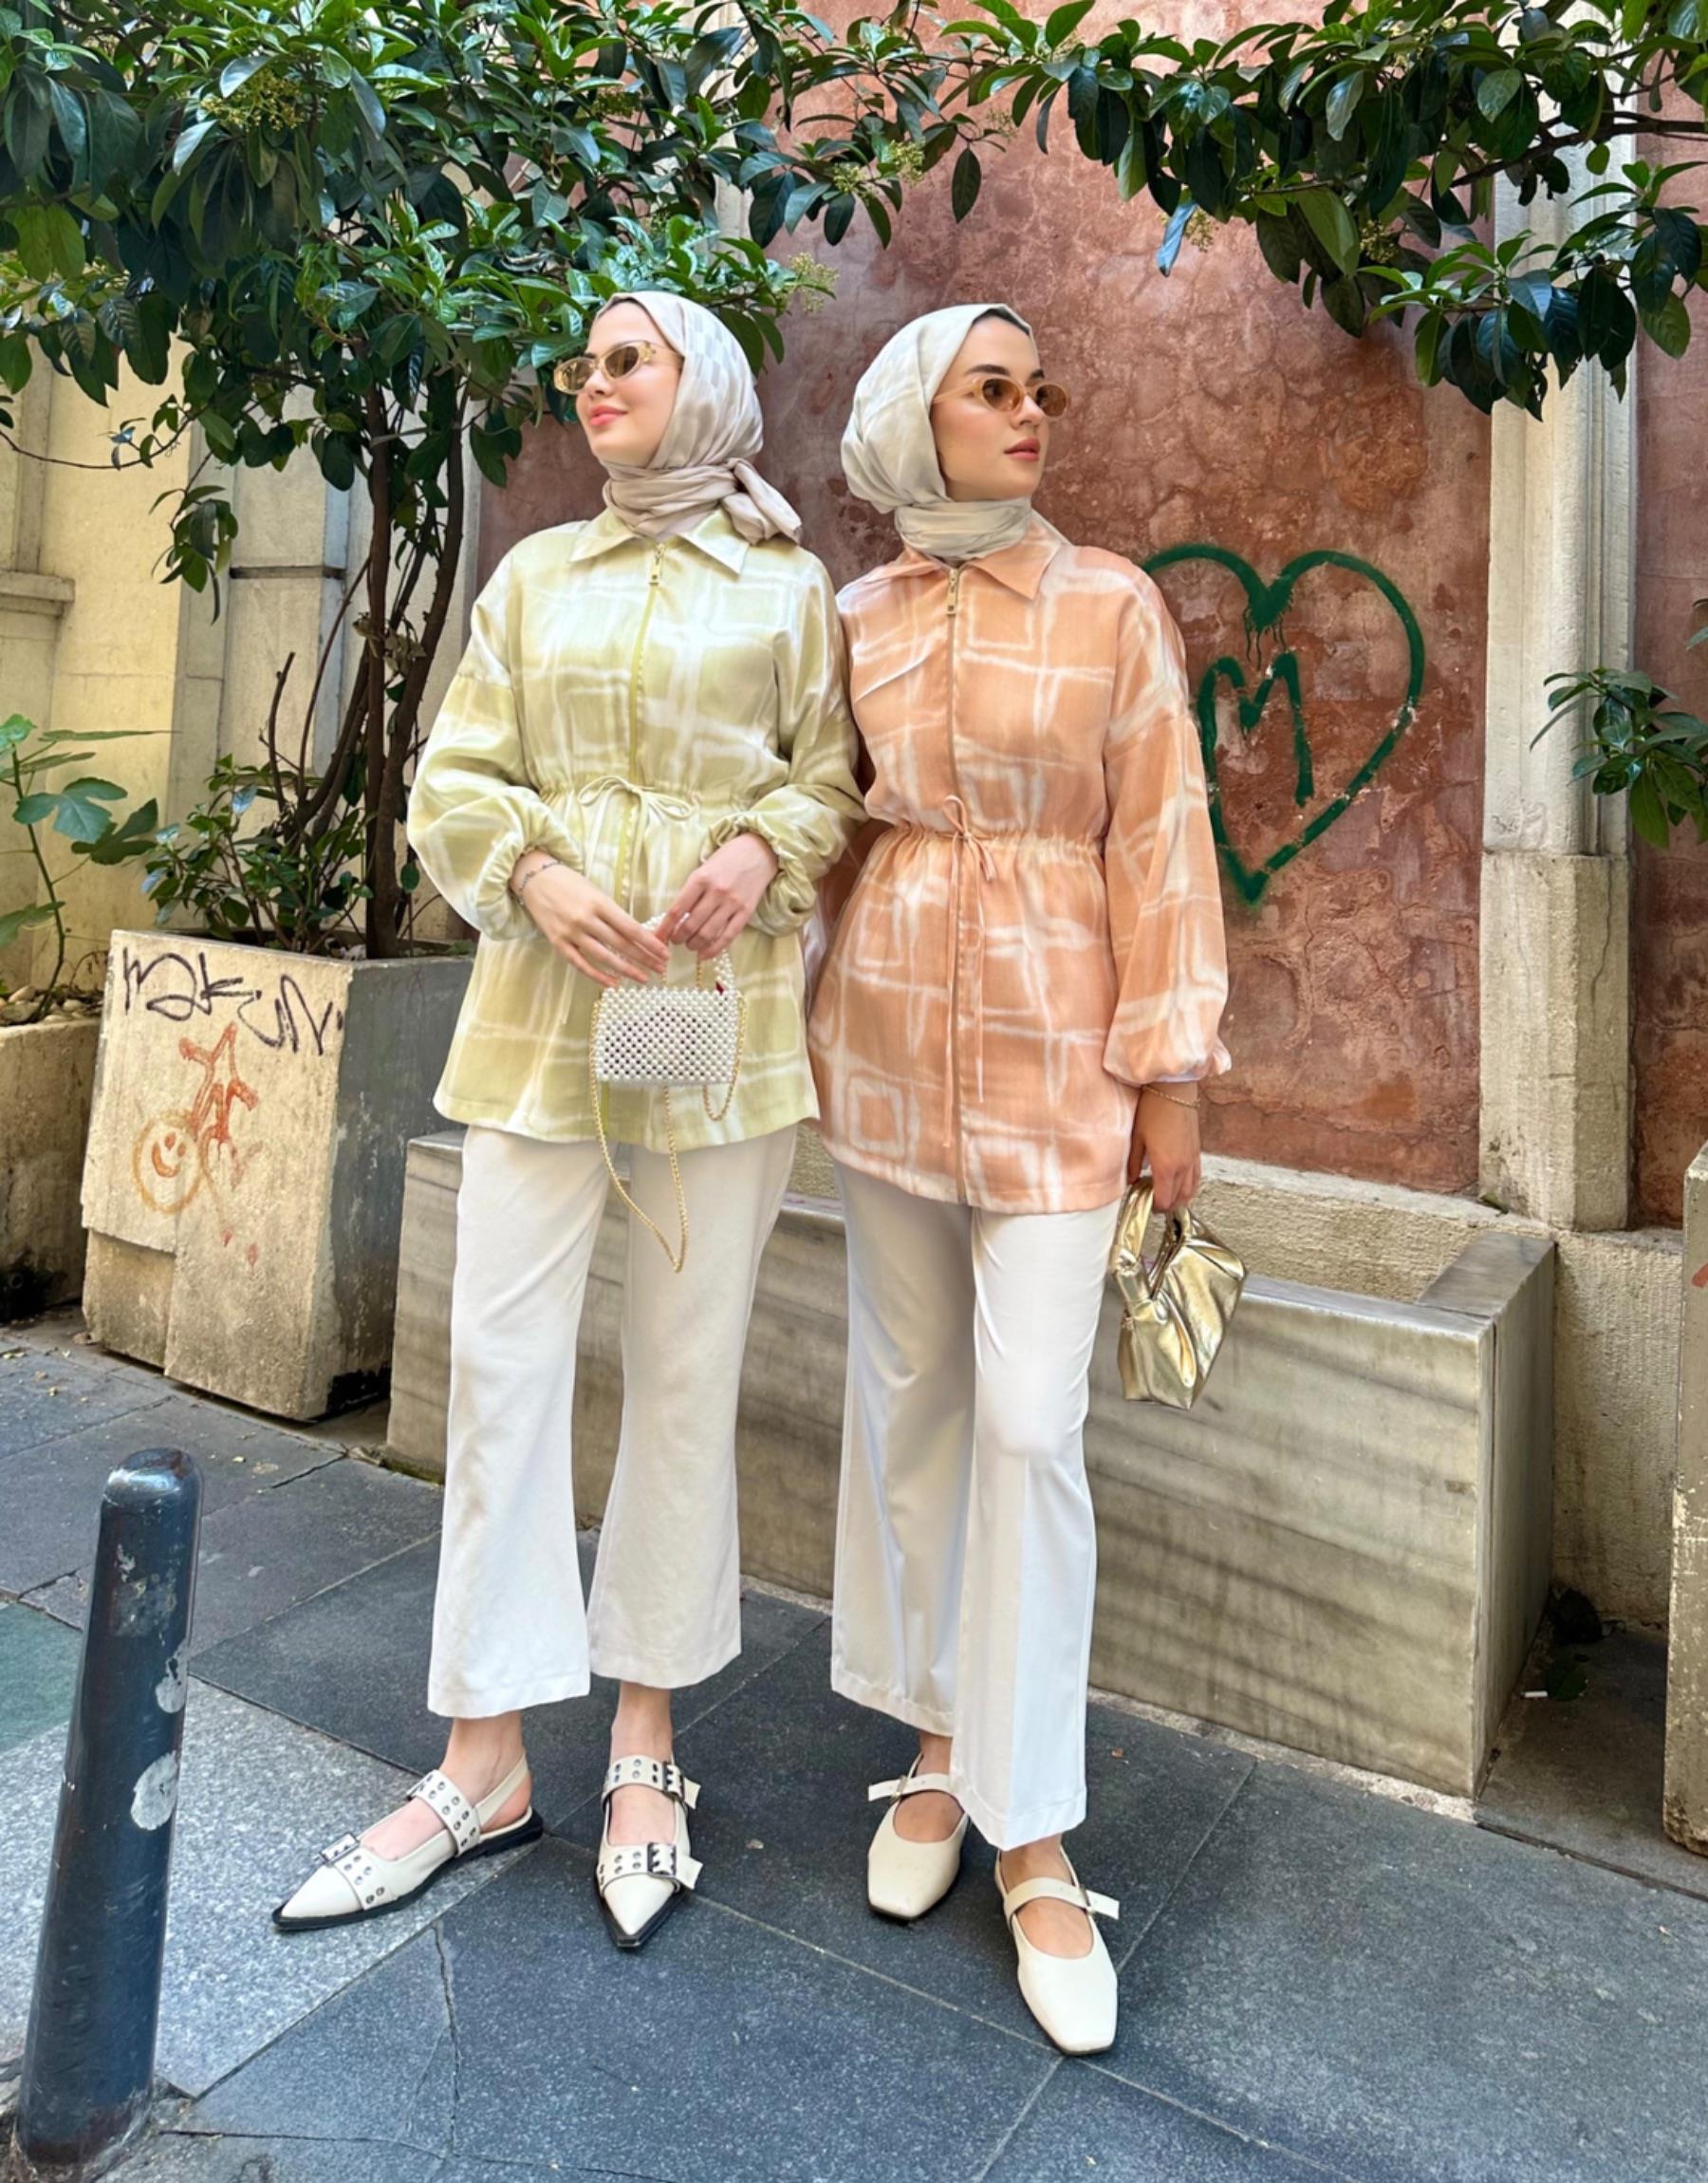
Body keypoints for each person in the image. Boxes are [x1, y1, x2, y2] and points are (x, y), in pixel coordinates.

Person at [274, 290, 863, 1951]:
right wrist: (530, 873)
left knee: (685, 1373)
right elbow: (454, 774)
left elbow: (829, 777)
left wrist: (756, 848)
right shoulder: (534, 575)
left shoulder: (786, 586)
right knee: (501, 1367)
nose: (591, 383)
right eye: (583, 365)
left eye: (627, 360)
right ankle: (483, 1757)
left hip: (709, 1013)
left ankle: (645, 1742)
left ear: (703, 384)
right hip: (541, 1010)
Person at [808, 303, 1231, 2052]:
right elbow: (815, 832)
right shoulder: (855, 619)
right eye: (992, 389)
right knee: (911, 1402)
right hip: (885, 1050)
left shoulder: (1112, 604)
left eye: (1039, 388)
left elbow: (1163, 835)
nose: (1030, 411)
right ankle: (937, 1744)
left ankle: (1034, 1829)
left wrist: (1173, 1077)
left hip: (1067, 1067)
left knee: (1032, 1429)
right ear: (916, 417)